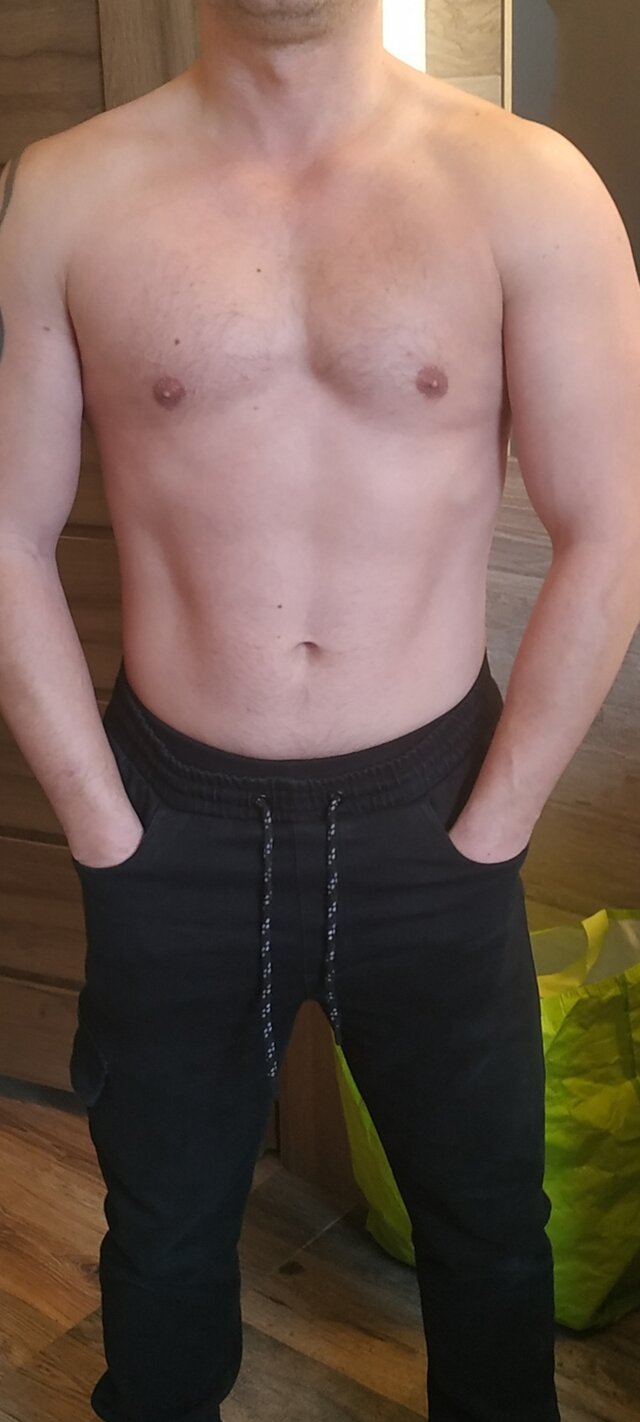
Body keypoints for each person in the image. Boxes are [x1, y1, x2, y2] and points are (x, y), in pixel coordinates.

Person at [0, 2, 639, 1419]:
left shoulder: (530, 187)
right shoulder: (64, 194)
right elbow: (4, 533)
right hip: (169, 824)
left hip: (436, 819)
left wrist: (494, 827)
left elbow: (610, 533)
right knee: (160, 1239)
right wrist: (104, 829)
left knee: (491, 1231)